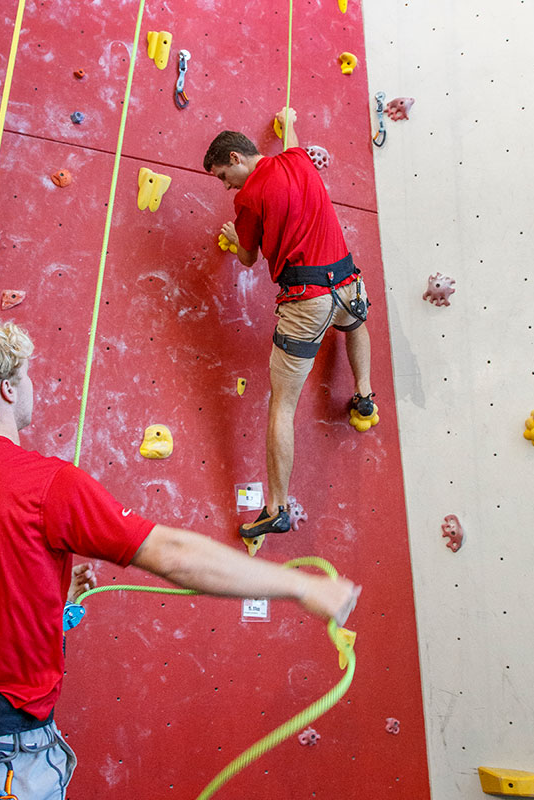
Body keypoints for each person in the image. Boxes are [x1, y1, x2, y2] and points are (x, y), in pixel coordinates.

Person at [0, 315, 360, 800]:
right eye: (26, 376)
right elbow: (171, 554)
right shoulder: (46, 484)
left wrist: (45, 599)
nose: (31, 386)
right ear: (7, 390)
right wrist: (302, 587)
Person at [203, 108, 376, 541]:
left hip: (306, 303)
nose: (226, 185)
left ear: (238, 158)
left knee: (282, 404)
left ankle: (277, 508)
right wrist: (288, 118)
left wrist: (233, 232)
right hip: (347, 282)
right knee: (354, 325)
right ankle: (365, 396)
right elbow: (292, 139)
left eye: (225, 175)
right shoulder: (297, 158)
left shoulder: (247, 198)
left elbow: (247, 258)